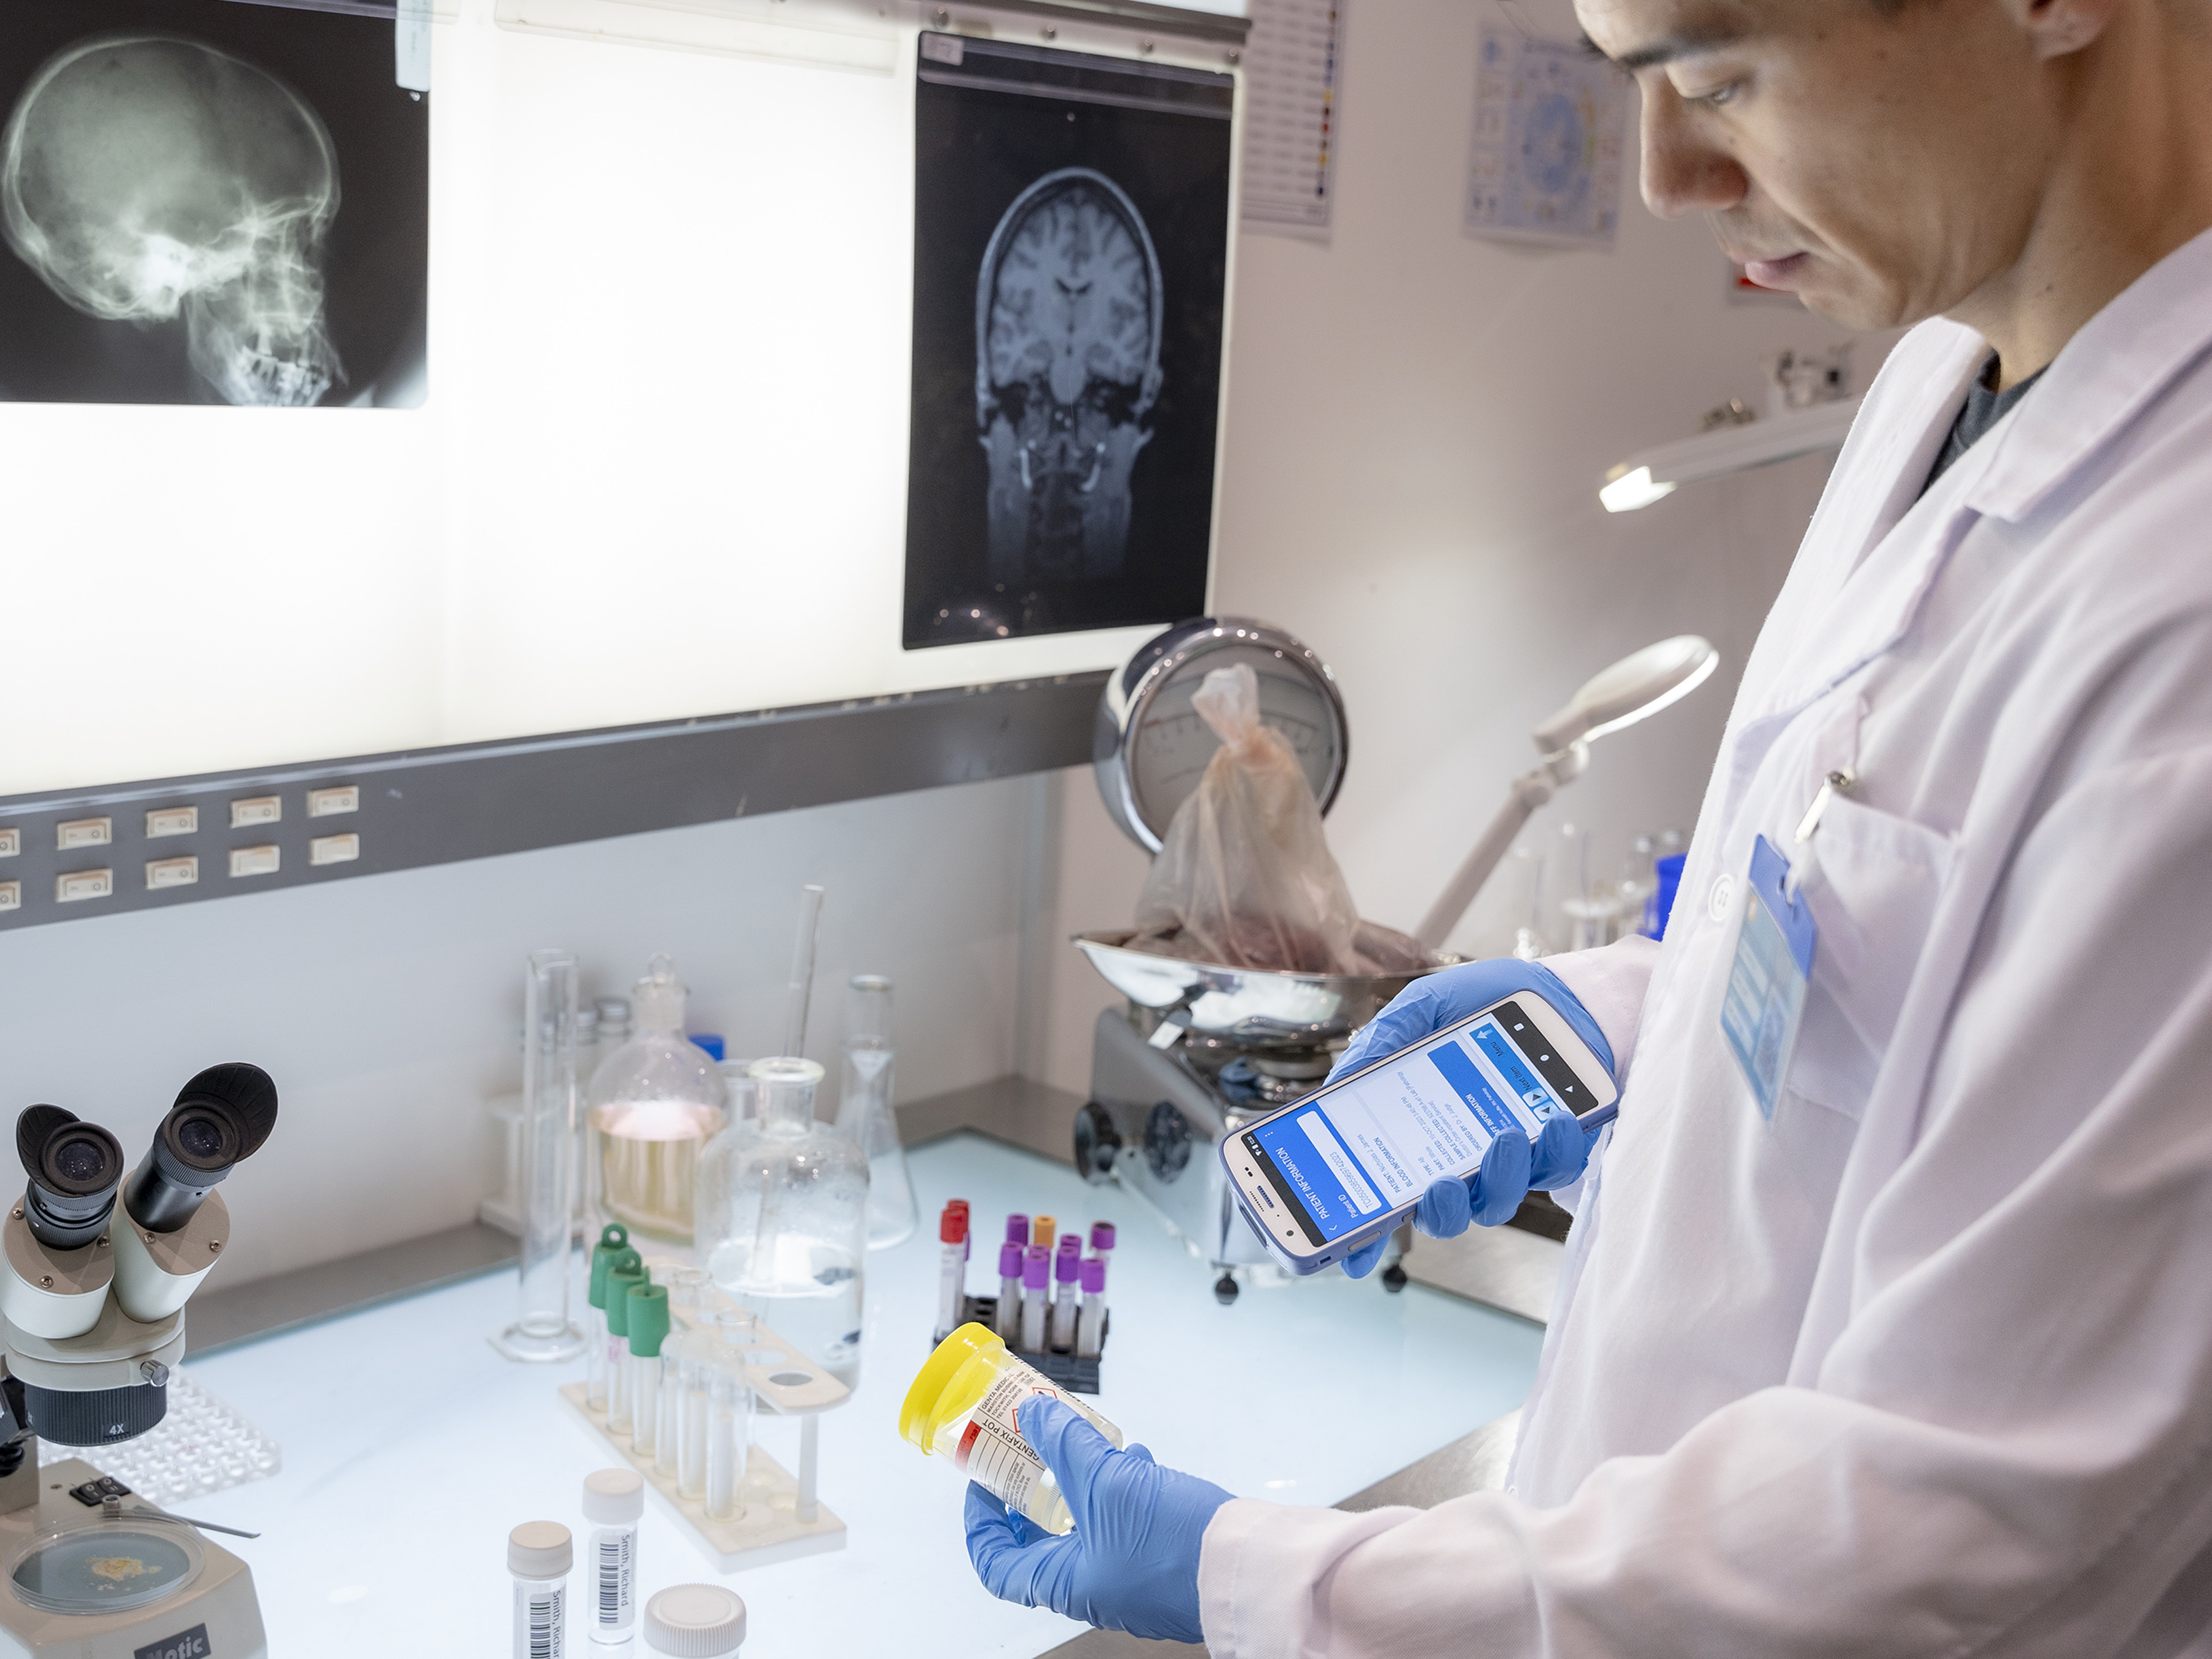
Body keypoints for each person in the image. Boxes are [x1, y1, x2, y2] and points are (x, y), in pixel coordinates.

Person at [963, 0, 2212, 1650]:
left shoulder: (2178, 618)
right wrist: (1629, 1017)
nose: (1669, 175)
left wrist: (1263, 1580)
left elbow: (1948, 1528)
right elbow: (1905, 934)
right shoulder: (1942, 373)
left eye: (1717, 76)